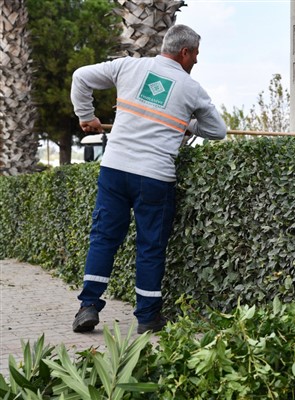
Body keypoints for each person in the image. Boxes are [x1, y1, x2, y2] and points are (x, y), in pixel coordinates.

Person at [70, 24, 227, 334]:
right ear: (184, 52)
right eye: (195, 54)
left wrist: (85, 115)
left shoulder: (128, 66)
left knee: (103, 238)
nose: (196, 60)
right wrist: (188, 124)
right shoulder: (191, 88)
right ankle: (147, 318)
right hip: (154, 177)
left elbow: (81, 77)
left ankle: (88, 306)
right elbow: (218, 131)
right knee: (150, 247)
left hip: (114, 170)